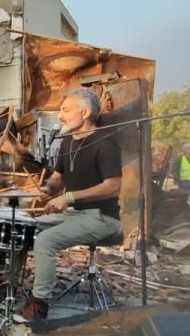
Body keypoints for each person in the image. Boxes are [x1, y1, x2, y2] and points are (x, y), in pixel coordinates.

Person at [23, 88, 123, 321]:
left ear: (85, 112)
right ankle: (11, 290)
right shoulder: (68, 141)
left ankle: (39, 304)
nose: (60, 115)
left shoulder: (105, 143)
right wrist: (46, 190)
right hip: (75, 215)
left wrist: (69, 197)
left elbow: (113, 186)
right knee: (24, 227)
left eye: (66, 110)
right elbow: (58, 177)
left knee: (46, 241)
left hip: (102, 217)